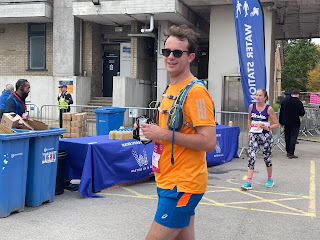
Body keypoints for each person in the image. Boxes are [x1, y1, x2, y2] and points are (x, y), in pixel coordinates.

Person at [140, 25, 216, 240]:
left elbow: (209, 142)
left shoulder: (197, 92)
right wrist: (148, 131)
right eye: (166, 52)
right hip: (167, 179)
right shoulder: (170, 88)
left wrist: (162, 135)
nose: (170, 57)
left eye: (177, 53)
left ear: (190, 56)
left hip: (183, 184)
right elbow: (169, 130)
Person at [241, 89, 279, 190]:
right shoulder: (251, 107)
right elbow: (249, 119)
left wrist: (268, 127)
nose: (258, 97)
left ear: (265, 97)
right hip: (254, 135)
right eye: (257, 95)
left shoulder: (269, 109)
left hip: (265, 136)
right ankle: (248, 181)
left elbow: (276, 124)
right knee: (251, 157)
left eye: (260, 96)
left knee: (267, 158)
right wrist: (250, 130)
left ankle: (270, 179)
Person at [279, 89, 305, 159]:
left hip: (286, 122)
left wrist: (281, 122)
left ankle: (287, 151)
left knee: (287, 136)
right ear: (297, 95)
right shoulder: (299, 102)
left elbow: (281, 112)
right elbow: (302, 113)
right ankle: (291, 152)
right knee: (293, 137)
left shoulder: (285, 101)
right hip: (295, 122)